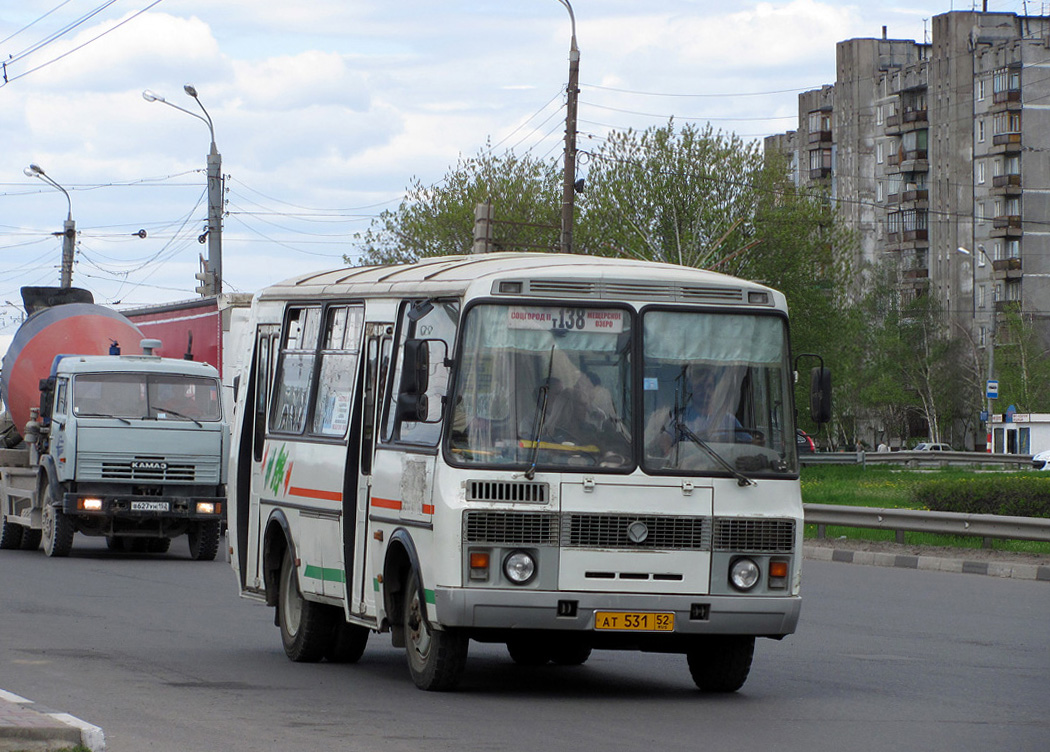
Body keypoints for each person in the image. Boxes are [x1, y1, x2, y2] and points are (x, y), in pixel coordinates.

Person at [645, 363, 752, 456]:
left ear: (714, 389)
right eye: (700, 387)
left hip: (721, 470)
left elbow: (749, 444)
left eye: (709, 386)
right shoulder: (680, 417)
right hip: (688, 471)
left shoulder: (728, 419)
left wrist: (758, 443)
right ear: (692, 389)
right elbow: (666, 439)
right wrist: (666, 446)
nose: (706, 391)